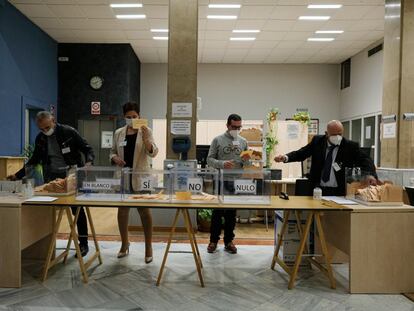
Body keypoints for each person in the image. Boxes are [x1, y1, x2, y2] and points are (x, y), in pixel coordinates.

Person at [10, 111, 94, 257]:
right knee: (47, 210)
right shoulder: (41, 138)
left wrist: (88, 163)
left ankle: (84, 244)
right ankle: (46, 243)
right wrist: (17, 175)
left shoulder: (69, 131)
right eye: (41, 129)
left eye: (47, 127)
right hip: (52, 177)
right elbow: (34, 160)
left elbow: (87, 149)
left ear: (53, 121)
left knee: (77, 210)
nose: (45, 131)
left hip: (71, 176)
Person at [274, 120, 377, 196]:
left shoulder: (350, 146)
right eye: (334, 134)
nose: (337, 137)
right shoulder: (317, 141)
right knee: (315, 220)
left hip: (340, 191)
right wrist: (285, 157)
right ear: (326, 133)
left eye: (340, 134)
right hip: (318, 189)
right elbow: (302, 153)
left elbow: (366, 160)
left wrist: (370, 175)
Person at [110, 102, 158, 263]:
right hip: (123, 176)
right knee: (122, 212)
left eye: (134, 117)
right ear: (124, 117)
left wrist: (146, 139)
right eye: (128, 117)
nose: (131, 119)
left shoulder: (146, 130)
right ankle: (124, 244)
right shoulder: (118, 133)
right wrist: (114, 158)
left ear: (139, 116)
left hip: (141, 177)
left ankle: (148, 247)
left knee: (144, 212)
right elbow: (112, 152)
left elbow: (154, 153)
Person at [206, 114, 251, 254]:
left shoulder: (243, 141)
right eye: (234, 127)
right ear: (227, 125)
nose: (236, 130)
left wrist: (246, 159)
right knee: (217, 212)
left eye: (239, 127)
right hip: (220, 180)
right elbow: (209, 159)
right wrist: (222, 163)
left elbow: (248, 164)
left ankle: (229, 241)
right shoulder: (217, 140)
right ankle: (213, 241)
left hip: (236, 181)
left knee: (231, 213)